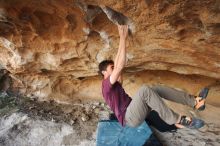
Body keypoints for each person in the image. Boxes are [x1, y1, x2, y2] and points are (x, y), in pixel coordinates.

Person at [99, 25, 208, 129]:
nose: (114, 70)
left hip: (137, 112)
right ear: (104, 72)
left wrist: (121, 38)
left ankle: (195, 102)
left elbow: (118, 65)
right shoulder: (105, 85)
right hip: (129, 118)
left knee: (155, 89)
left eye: (113, 67)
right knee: (144, 90)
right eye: (111, 68)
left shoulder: (114, 85)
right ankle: (177, 120)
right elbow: (118, 67)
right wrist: (123, 38)